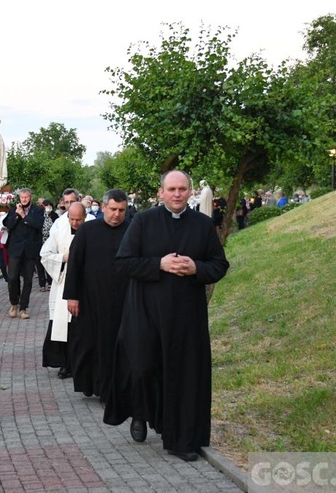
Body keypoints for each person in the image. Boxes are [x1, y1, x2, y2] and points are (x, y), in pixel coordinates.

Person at [103, 170, 229, 462]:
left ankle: (180, 439)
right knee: (143, 367)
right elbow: (123, 263)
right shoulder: (144, 222)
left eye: (182, 189)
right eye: (171, 189)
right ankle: (140, 412)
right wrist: (158, 264)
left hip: (186, 315)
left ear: (190, 192)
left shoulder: (202, 224)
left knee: (183, 375)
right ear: (161, 193)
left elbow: (219, 265)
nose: (176, 194)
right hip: (145, 310)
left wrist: (196, 268)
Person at [62, 189, 130, 401]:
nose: (117, 214)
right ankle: (89, 382)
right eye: (113, 209)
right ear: (103, 207)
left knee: (115, 344)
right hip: (90, 298)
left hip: (122, 299)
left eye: (121, 210)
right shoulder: (88, 230)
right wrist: (72, 296)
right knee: (88, 343)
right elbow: (75, 263)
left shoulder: (132, 230)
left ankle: (109, 389)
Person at [40, 202, 86, 379]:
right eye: (72, 219)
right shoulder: (59, 233)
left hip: (86, 284)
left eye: (78, 220)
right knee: (63, 325)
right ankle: (66, 363)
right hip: (64, 283)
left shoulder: (92, 230)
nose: (75, 223)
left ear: (84, 217)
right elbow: (45, 255)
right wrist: (63, 258)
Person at [3, 188, 44, 319]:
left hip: (30, 249)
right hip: (15, 248)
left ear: (30, 197)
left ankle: (23, 308)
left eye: (26, 197)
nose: (24, 199)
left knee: (28, 279)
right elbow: (8, 225)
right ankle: (14, 303)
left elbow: (38, 224)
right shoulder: (14, 209)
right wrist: (17, 214)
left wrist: (24, 216)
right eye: (22, 197)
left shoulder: (37, 210)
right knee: (12, 277)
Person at [35, 199, 57, 292]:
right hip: (39, 242)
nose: (48, 208)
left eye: (49, 205)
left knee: (49, 262)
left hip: (50, 242)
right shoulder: (39, 216)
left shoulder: (55, 216)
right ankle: (42, 284)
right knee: (39, 263)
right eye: (46, 206)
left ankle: (50, 282)